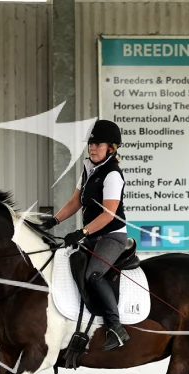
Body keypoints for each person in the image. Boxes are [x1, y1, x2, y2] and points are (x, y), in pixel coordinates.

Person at [38, 119, 130, 351]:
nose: (92, 148)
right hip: (93, 237)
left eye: (98, 144)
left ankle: (116, 328)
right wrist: (54, 221)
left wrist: (82, 232)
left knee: (93, 275)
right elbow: (75, 202)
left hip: (111, 236)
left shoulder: (112, 174)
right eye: (90, 144)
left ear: (111, 148)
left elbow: (108, 215)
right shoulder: (89, 169)